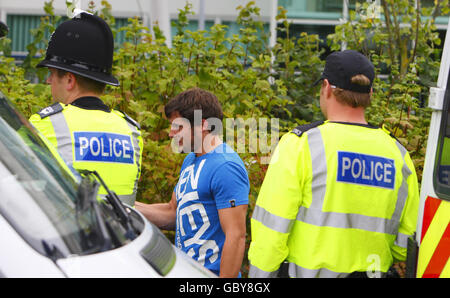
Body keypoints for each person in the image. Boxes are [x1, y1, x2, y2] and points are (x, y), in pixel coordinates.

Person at [248, 50, 420, 278]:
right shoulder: (398, 155)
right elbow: (404, 243)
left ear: (327, 87)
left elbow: (271, 231)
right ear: (370, 93)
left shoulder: (301, 145)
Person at [29, 12, 143, 206]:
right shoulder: (131, 131)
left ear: (70, 80)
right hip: (125, 235)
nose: (48, 81)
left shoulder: (45, 124)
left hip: (67, 236)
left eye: (52, 73)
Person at [135, 88, 249, 277]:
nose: (171, 134)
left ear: (203, 125)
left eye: (178, 127)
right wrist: (125, 206)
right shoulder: (191, 159)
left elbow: (236, 236)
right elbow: (173, 211)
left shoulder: (225, 166)